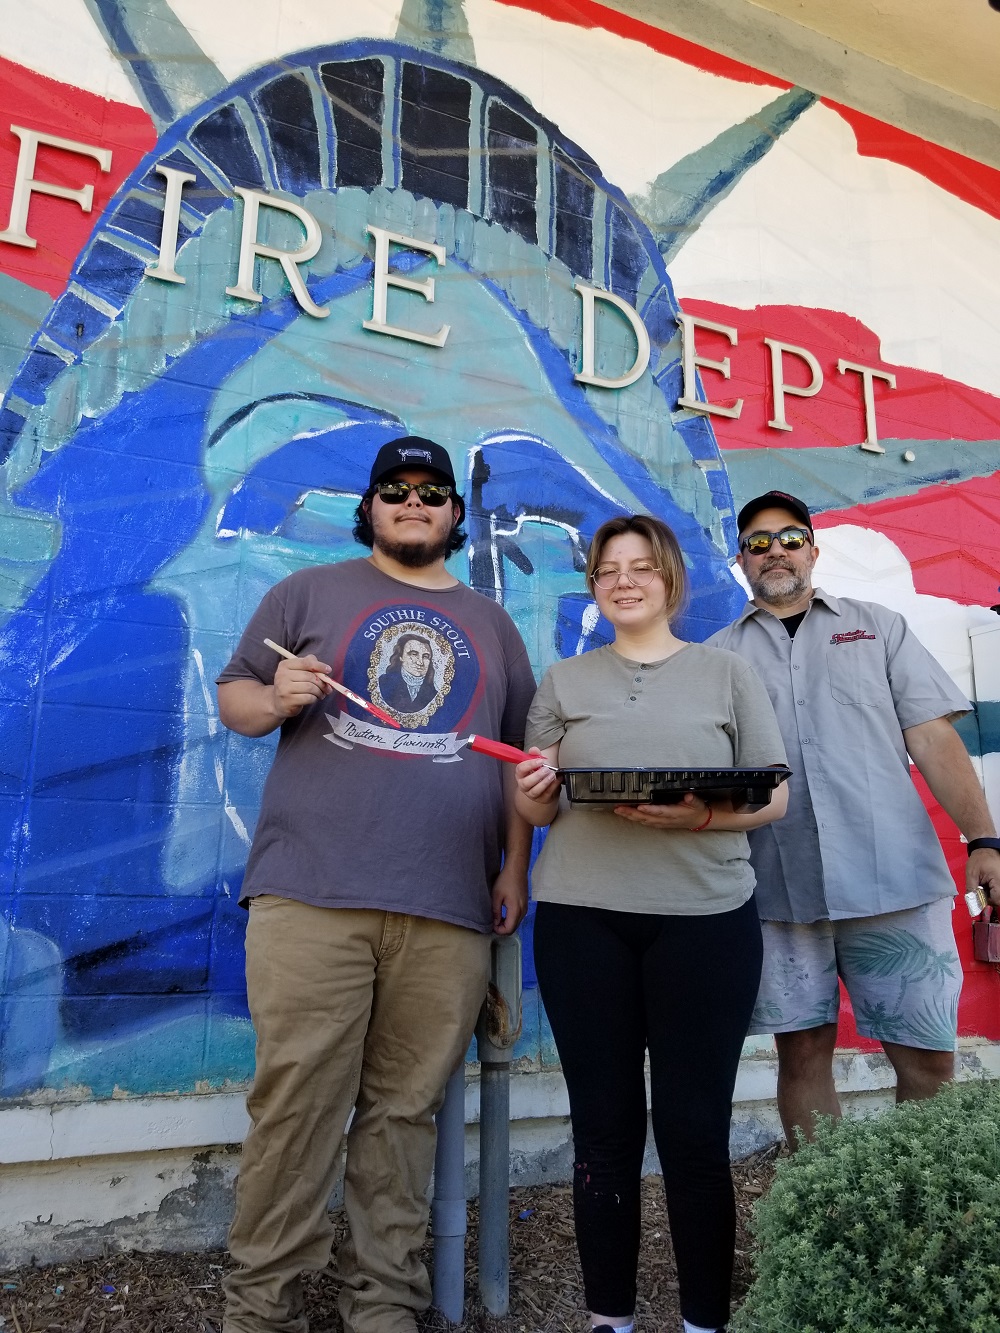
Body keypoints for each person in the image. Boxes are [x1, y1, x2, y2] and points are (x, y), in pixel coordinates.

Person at [216, 435, 536, 1333]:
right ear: (371, 506)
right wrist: (276, 694)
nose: (413, 500)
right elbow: (235, 703)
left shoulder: (493, 623)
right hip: (310, 894)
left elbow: (518, 762)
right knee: (297, 1106)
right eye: (394, 488)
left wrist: (514, 865)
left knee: (405, 1115)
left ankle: (384, 1303)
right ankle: (260, 1308)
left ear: (453, 514)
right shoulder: (306, 594)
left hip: (450, 907)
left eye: (432, 490)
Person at [514, 514, 789, 1333]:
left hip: (706, 921)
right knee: (603, 1130)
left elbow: (773, 794)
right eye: (608, 569)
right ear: (594, 583)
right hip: (582, 919)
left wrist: (699, 820)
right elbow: (537, 805)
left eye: (641, 567)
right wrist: (535, 783)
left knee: (695, 1132)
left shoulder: (727, 672)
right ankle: (611, 1319)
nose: (624, 580)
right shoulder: (563, 681)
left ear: (670, 578)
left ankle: (705, 1320)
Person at [709, 490, 1000, 1149]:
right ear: (741, 561)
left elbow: (932, 739)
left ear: (813, 550)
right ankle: (829, 1208)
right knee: (804, 1053)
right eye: (758, 542)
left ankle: (924, 1218)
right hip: (777, 889)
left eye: (789, 537)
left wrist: (984, 838)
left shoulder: (880, 625)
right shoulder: (716, 656)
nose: (775, 550)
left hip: (893, 879)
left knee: (927, 1057)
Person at [377, 631, 439, 716]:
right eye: (413, 654)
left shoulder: (433, 693)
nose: (420, 662)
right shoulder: (383, 683)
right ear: (401, 656)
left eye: (425, 656)